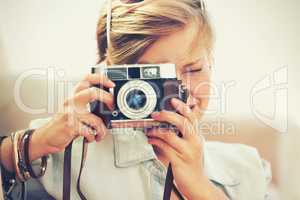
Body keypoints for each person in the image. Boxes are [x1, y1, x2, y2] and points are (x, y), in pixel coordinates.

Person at [0, 0, 271, 199]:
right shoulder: (61, 155)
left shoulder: (247, 169)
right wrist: (30, 146)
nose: (179, 90)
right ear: (113, 75)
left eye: (194, 69)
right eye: (154, 77)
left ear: (211, 61)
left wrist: (200, 188)